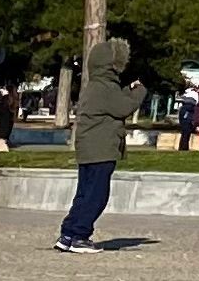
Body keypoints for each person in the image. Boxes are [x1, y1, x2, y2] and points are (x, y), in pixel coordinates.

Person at [59, 35, 140, 254]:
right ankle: (80, 235)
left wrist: (125, 90)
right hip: (101, 149)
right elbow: (124, 107)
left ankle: (68, 233)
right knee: (96, 195)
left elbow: (114, 104)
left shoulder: (96, 86)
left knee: (84, 193)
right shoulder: (106, 87)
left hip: (89, 149)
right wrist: (139, 91)